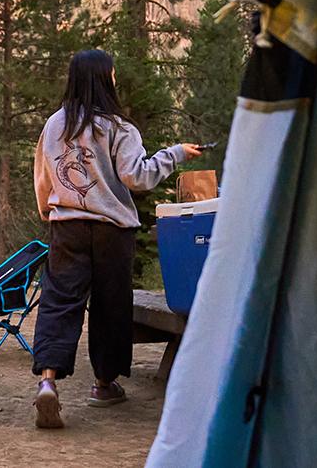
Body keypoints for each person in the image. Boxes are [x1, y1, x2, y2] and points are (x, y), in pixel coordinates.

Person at [28, 48, 202, 429]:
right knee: (110, 307)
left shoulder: (55, 125)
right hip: (112, 230)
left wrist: (48, 208)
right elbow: (136, 177)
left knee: (59, 302)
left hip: (67, 226)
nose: (115, 79)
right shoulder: (119, 128)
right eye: (112, 74)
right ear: (103, 78)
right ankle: (104, 385)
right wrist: (175, 154)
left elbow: (43, 174)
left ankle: (47, 380)